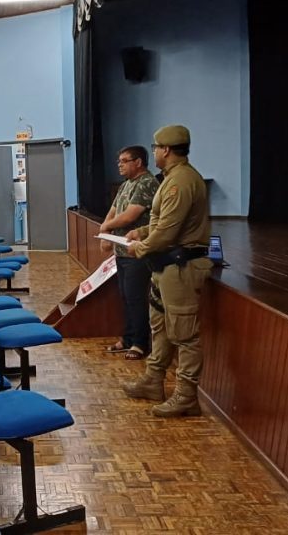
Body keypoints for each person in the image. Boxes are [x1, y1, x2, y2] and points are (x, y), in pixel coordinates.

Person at [122, 125, 213, 417]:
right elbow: (163, 223)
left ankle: (186, 396)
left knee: (184, 334)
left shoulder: (180, 182)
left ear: (166, 150)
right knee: (159, 326)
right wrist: (142, 231)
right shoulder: (172, 179)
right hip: (166, 266)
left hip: (180, 266)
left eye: (155, 148)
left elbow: (169, 231)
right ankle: (153, 380)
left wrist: (142, 247)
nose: (154, 153)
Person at [100, 146, 159, 360]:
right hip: (122, 251)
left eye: (125, 161)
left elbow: (129, 217)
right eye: (119, 161)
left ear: (139, 162)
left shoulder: (147, 183)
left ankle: (141, 344)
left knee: (135, 298)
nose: (120, 164)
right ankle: (128, 338)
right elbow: (114, 210)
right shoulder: (126, 185)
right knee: (125, 297)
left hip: (138, 252)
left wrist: (106, 228)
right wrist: (105, 230)